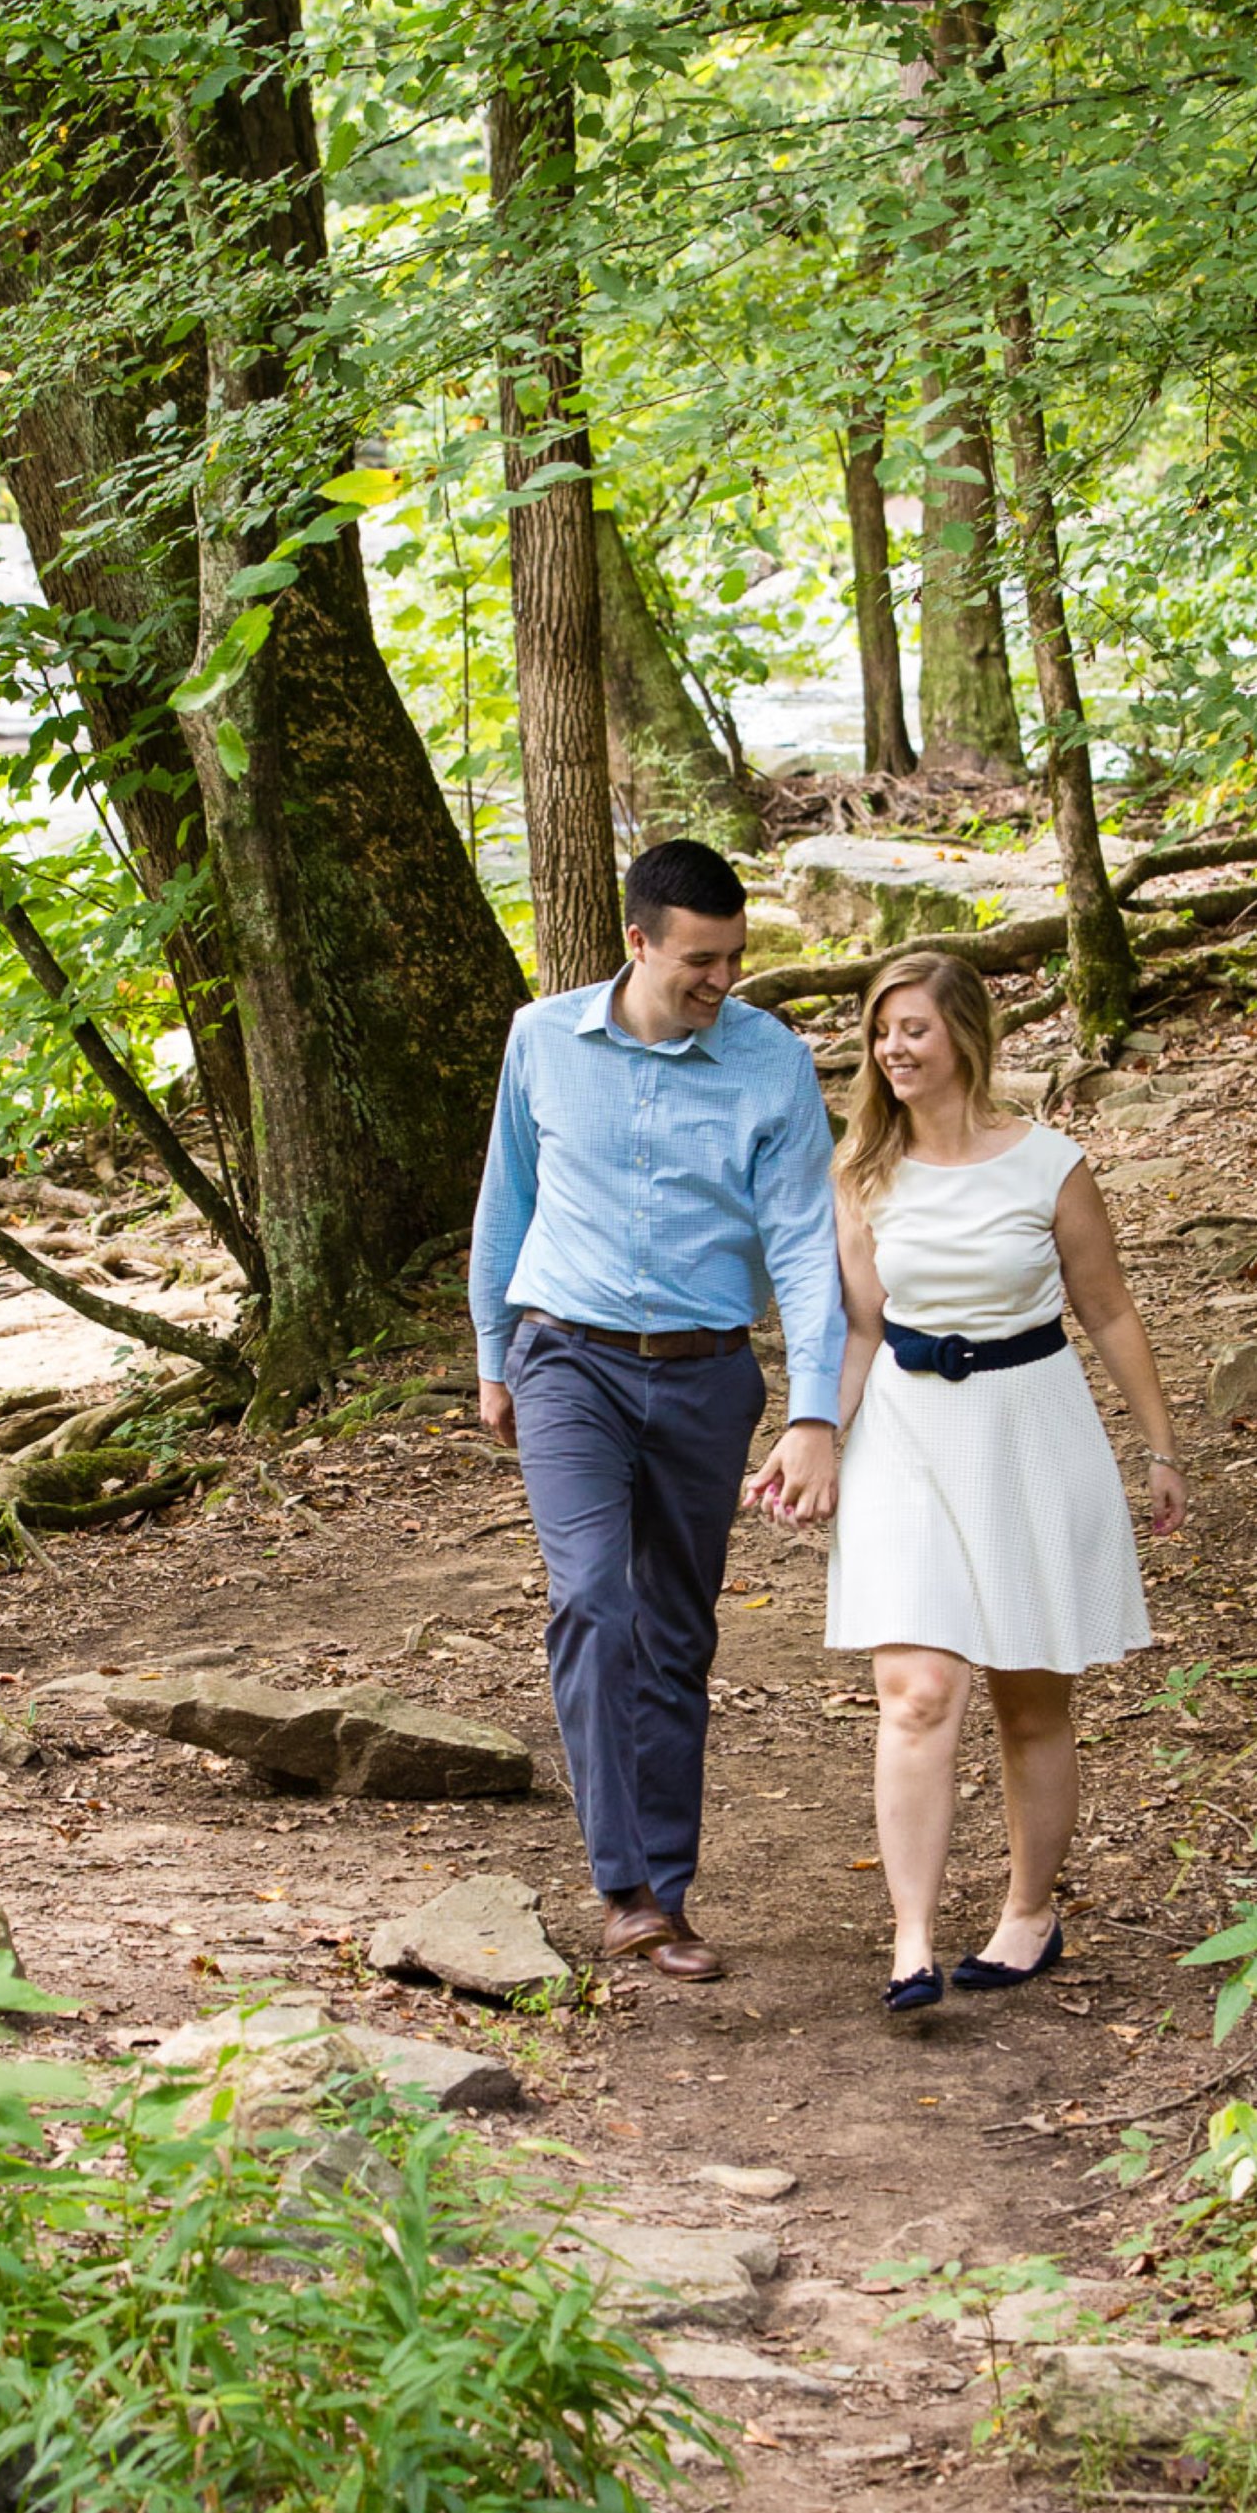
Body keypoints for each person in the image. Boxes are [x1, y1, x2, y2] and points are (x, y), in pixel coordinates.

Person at [754, 947, 1186, 2012]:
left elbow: (1109, 1309)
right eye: (879, 1031)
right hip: (903, 1431)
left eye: (912, 1028)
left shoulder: (1047, 1163)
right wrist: (811, 1430)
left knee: (1029, 1701)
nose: (891, 1048)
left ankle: (1028, 1913)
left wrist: (1161, 1445)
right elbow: (857, 1327)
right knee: (916, 1689)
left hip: (1029, 1428)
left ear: (963, 1037)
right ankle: (909, 1939)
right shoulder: (860, 1169)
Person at [471, 837, 844, 1982]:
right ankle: (623, 1889)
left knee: (677, 1632)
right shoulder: (541, 1038)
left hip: (704, 1373)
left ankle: (667, 1887)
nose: (718, 981)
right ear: (636, 941)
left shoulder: (769, 1059)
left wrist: (814, 1409)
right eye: (698, 961)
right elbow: (506, 1198)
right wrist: (493, 1358)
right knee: (592, 1600)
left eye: (732, 959)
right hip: (565, 1357)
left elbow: (804, 1244)